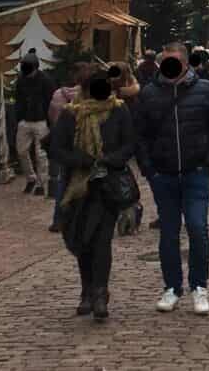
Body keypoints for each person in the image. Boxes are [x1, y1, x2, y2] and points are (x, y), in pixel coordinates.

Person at [134, 45, 209, 315]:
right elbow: (139, 134)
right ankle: (172, 287)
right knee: (169, 232)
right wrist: (149, 168)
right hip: (163, 174)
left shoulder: (206, 90)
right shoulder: (149, 94)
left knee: (198, 228)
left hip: (195, 172)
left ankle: (199, 286)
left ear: (186, 64)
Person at [48, 70, 136, 320]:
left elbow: (129, 144)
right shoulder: (71, 114)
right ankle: (86, 290)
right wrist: (83, 161)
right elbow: (58, 148)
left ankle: (99, 292)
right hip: (77, 187)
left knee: (101, 240)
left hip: (107, 186)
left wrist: (108, 160)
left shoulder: (119, 111)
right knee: (81, 240)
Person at [48, 62, 92, 233]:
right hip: (87, 149)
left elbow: (52, 116)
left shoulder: (60, 95)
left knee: (64, 182)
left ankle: (59, 219)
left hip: (68, 148)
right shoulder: (96, 99)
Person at [14, 50, 55, 196]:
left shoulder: (46, 80)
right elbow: (18, 99)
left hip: (41, 121)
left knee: (41, 155)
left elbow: (51, 101)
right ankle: (30, 178)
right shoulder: (21, 80)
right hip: (25, 120)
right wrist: (19, 117)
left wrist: (48, 120)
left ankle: (40, 184)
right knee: (21, 151)